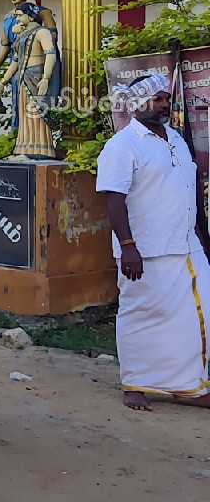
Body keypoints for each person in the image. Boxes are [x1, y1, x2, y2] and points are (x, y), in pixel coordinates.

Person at [96, 73, 210, 413]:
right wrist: (128, 245)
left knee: (194, 314)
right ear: (138, 103)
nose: (165, 104)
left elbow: (188, 193)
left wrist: (201, 238)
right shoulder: (123, 144)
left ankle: (188, 385)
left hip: (185, 245)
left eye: (166, 98)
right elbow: (114, 198)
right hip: (144, 250)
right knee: (141, 314)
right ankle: (135, 384)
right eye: (158, 99)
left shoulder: (174, 138)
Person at [0, 0, 58, 124]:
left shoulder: (42, 12)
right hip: (19, 65)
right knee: (19, 107)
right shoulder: (9, 18)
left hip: (40, 65)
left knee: (38, 110)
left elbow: (52, 39)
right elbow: (6, 47)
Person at [0, 3, 60, 160]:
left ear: (31, 16)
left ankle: (42, 150)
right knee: (24, 114)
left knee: (36, 112)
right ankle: (25, 148)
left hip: (37, 77)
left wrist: (45, 78)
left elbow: (51, 55)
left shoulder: (42, 32)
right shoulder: (21, 36)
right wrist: (3, 82)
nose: (16, 18)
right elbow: (15, 61)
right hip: (23, 78)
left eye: (19, 15)